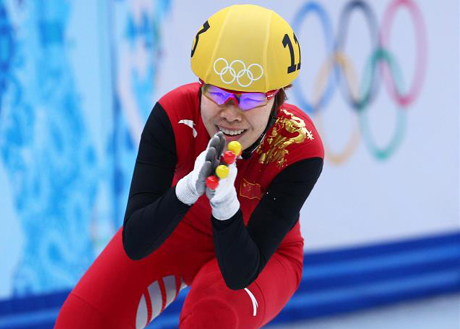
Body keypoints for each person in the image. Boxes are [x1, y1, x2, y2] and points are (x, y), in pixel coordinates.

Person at [55, 4, 324, 329]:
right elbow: (136, 243)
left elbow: (240, 274)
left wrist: (224, 204)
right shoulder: (173, 115)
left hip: (256, 253)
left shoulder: (298, 146)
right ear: (200, 84)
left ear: (278, 97)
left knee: (212, 313)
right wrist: (186, 191)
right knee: (81, 322)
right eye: (218, 92)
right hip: (179, 229)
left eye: (251, 99)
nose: (230, 113)